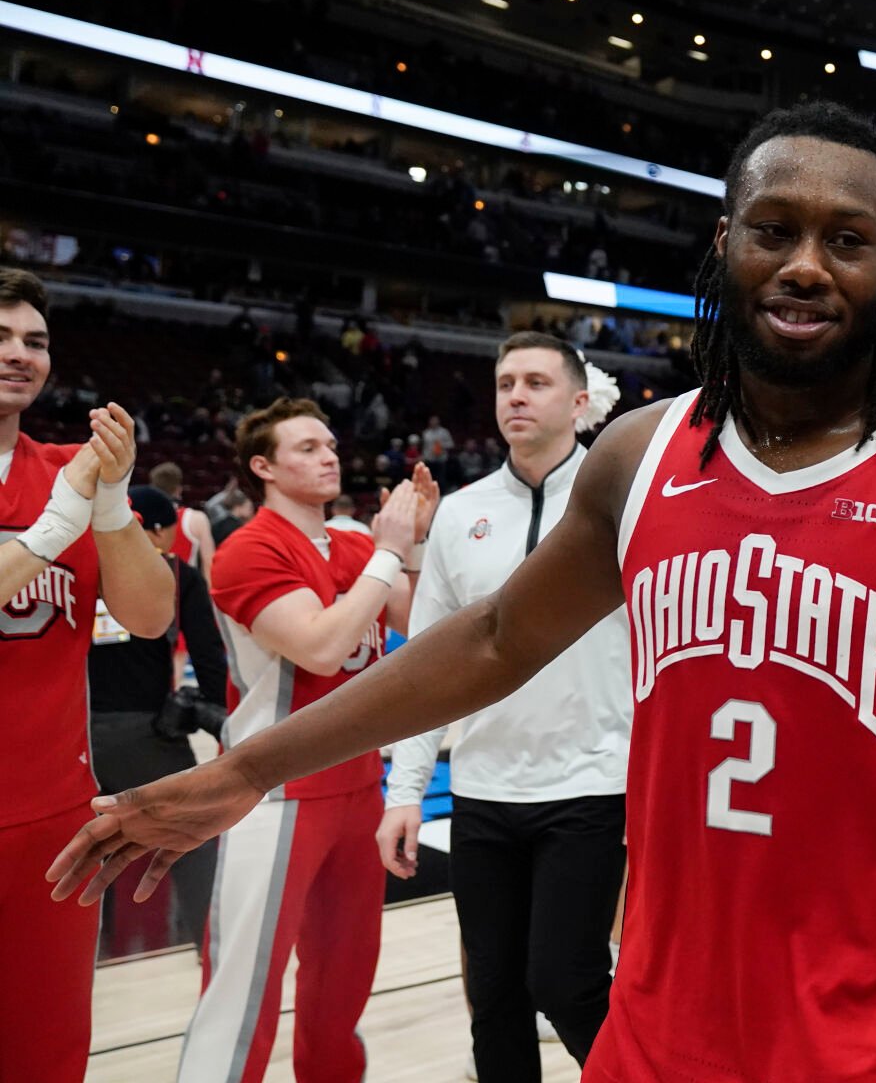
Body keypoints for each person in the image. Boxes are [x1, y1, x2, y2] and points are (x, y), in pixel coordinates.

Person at [49, 103, 876, 1083]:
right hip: (656, 1033)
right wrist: (245, 770)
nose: (805, 264)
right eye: (774, 230)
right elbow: (497, 636)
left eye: (845, 240)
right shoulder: (639, 456)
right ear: (723, 244)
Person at [378, 334, 629, 1082]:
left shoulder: (624, 500)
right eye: (505, 382)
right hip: (485, 792)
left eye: (537, 383)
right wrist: (404, 793)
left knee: (566, 981)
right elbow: (426, 667)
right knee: (494, 999)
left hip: (593, 784)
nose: (516, 395)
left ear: (580, 403)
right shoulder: (460, 513)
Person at [169, 397, 437, 1083]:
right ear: (263, 467)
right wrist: (387, 552)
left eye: (329, 445)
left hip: (355, 789)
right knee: (242, 993)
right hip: (275, 791)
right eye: (308, 448)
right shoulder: (244, 550)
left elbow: (426, 619)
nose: (329, 456)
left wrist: (420, 543)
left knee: (340, 989)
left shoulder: (352, 546)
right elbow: (322, 647)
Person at [0, 266, 176, 1083]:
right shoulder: (61, 494)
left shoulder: (72, 468)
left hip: (50, 815)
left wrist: (106, 506)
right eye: (1, 337)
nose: (19, 354)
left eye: (34, 340)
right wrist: (55, 524)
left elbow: (149, 616)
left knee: (48, 1048)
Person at [87, 484, 231, 949]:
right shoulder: (174, 571)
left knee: (86, 852)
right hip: (148, 733)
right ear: (157, 530)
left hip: (76, 738)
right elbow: (209, 655)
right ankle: (212, 950)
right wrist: (213, 711)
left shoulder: (78, 570)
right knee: (193, 838)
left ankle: (83, 956)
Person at [149, 460, 217, 581]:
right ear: (179, 489)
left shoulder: (141, 520)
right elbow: (209, 563)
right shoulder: (196, 518)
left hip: (151, 592)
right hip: (185, 593)